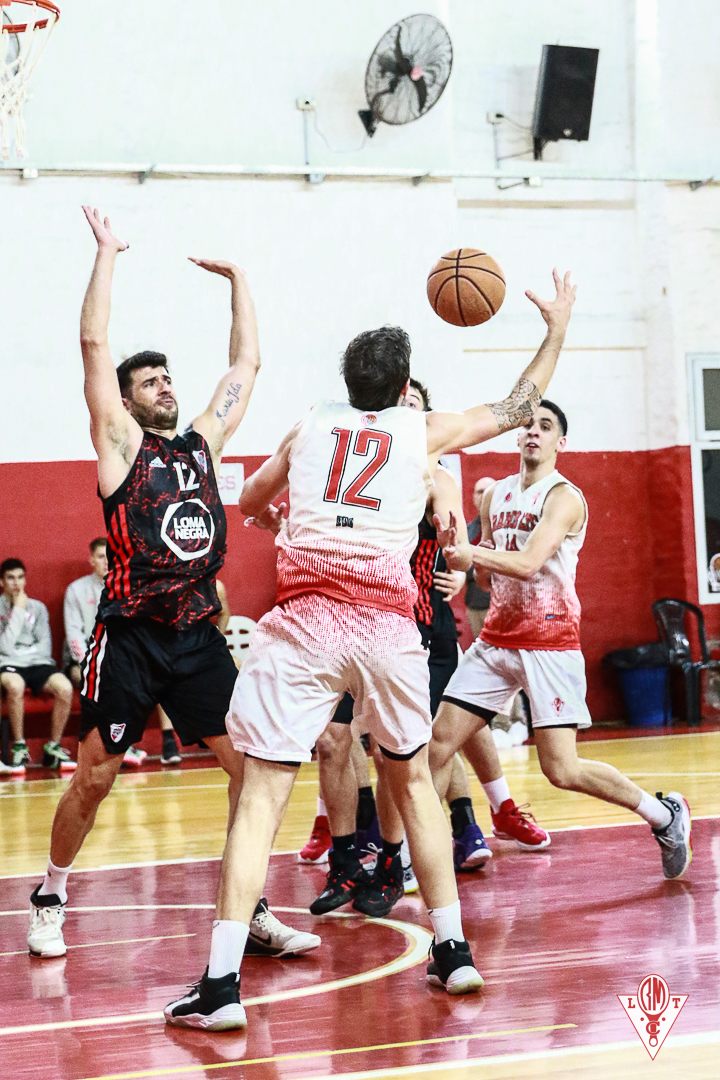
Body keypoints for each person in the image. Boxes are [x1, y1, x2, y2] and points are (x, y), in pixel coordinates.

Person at [164, 268, 577, 1030]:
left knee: (260, 794)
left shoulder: (307, 425)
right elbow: (518, 406)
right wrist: (555, 326)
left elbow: (250, 502)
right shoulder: (422, 434)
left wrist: (278, 520)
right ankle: (452, 951)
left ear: (348, 383)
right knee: (414, 781)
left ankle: (221, 984)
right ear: (402, 387)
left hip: (308, 621)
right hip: (390, 628)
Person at [27, 207, 318, 965]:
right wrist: (107, 254)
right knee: (95, 777)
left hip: (196, 637)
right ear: (125, 401)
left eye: (166, 378)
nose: (163, 386)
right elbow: (92, 344)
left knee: (250, 770)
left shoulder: (201, 445)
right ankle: (51, 894)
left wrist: (241, 282)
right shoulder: (122, 447)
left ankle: (248, 908)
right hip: (129, 637)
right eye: (148, 380)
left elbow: (245, 368)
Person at [431, 400, 692, 879]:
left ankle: (664, 816)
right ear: (518, 437)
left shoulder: (564, 497)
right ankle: (412, 857)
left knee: (562, 769)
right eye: (528, 425)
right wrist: (461, 560)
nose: (534, 432)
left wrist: (473, 554)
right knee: (435, 747)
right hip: (496, 641)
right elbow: (487, 578)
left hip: (549, 642)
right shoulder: (495, 496)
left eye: (545, 427)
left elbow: (529, 564)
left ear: (560, 442)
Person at [63, 538, 146, 767]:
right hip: (83, 662)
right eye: (101, 556)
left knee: (132, 677)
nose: (106, 562)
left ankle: (123, 741)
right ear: (91, 560)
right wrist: (92, 663)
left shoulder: (128, 587)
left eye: (110, 556)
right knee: (106, 680)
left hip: (120, 659)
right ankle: (108, 745)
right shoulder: (76, 590)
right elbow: (74, 636)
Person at [0, 558, 76, 773]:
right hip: (8, 665)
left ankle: (53, 747)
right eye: (11, 578)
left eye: (21, 577)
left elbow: (44, 647)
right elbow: (3, 647)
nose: (17, 583)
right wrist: (18, 611)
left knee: (65, 687)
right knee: (14, 686)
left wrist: (20, 651)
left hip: (38, 664)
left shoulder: (39, 608)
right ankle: (20, 746)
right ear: (2, 582)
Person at [465, 476, 495, 639]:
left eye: (489, 491)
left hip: (501, 604)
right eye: (480, 492)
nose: (484, 495)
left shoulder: (506, 528)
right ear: (474, 498)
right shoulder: (467, 531)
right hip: (474, 604)